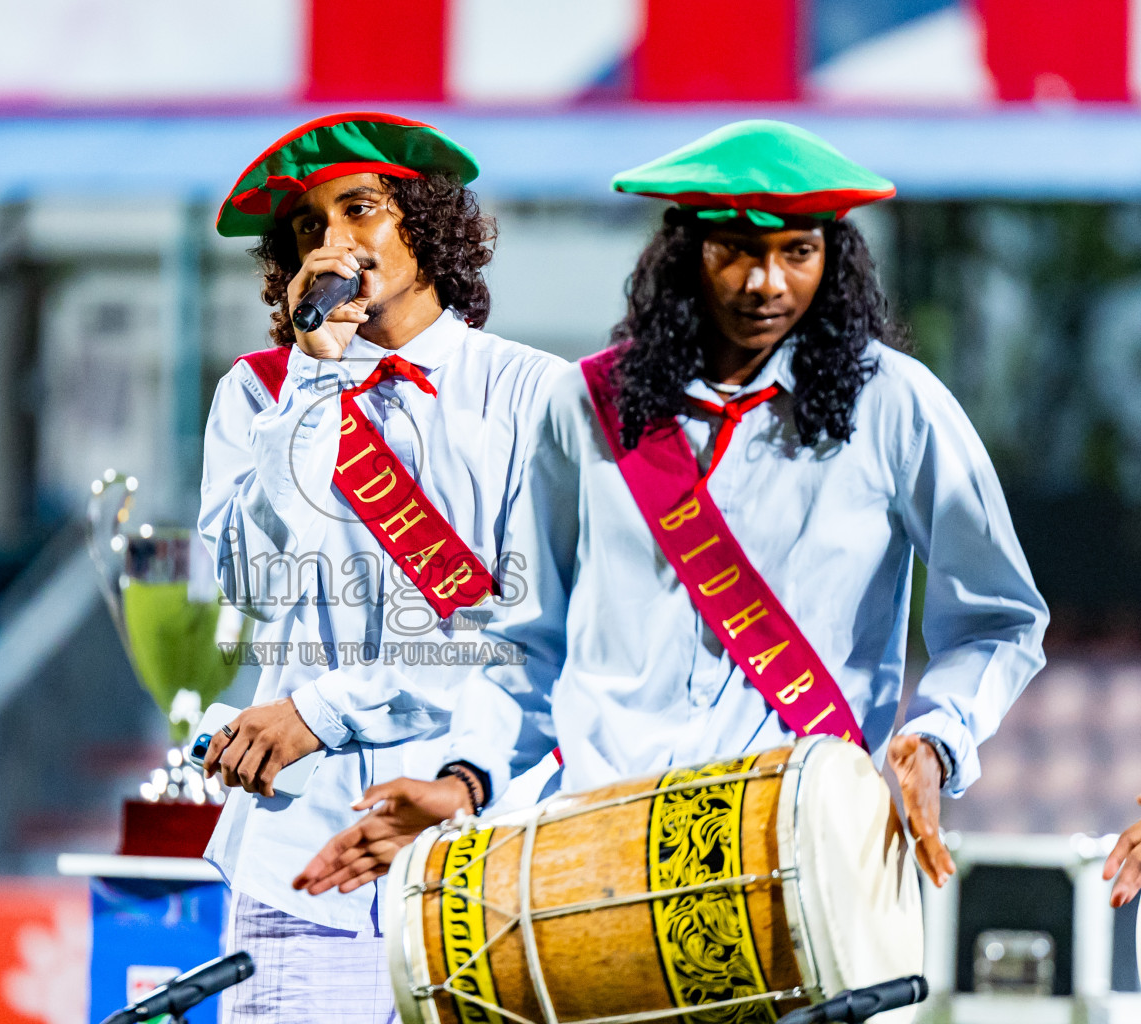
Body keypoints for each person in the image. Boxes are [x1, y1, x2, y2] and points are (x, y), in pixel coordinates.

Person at [296, 119, 1049, 898]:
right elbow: (528, 639)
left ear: (834, 260)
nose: (768, 283)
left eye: (798, 251)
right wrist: (466, 779)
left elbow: (999, 617)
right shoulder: (585, 404)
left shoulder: (896, 404)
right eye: (738, 252)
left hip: (800, 848)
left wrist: (936, 738)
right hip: (602, 845)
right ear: (687, 255)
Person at [197, 112, 564, 1022]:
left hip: (486, 857)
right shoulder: (258, 391)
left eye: (361, 208)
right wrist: (312, 385)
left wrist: (323, 712)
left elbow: (534, 633)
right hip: (302, 865)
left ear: (427, 224)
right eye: (308, 228)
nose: (335, 242)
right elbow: (246, 584)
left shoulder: (538, 395)